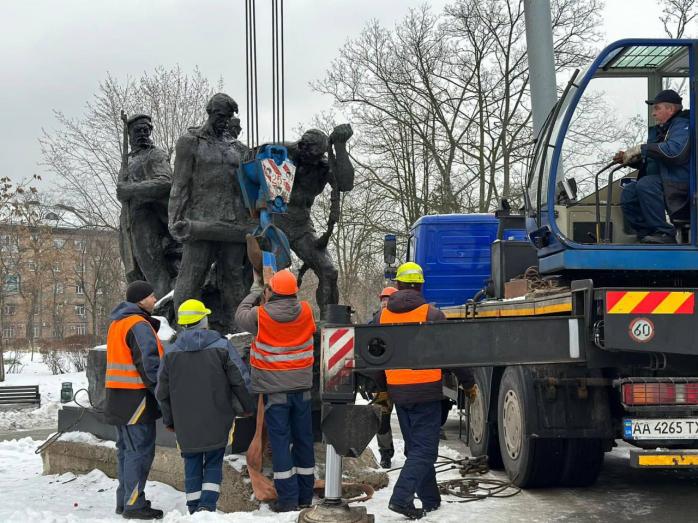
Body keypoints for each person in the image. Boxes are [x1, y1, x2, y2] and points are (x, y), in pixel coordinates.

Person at [155, 299, 255, 514]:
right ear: (203, 321)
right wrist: (247, 407)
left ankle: (193, 509)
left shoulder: (171, 352)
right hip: (218, 417)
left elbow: (161, 392)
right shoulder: (222, 346)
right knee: (213, 461)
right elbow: (240, 379)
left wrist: (169, 420)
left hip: (185, 423)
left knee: (191, 461)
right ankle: (207, 507)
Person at [169, 93, 254, 333]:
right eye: (220, 115)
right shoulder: (190, 142)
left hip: (233, 225)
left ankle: (239, 332)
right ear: (209, 112)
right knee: (191, 277)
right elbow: (179, 183)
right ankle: (184, 331)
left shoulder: (238, 148)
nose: (224, 121)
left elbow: (250, 185)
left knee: (234, 279)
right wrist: (174, 218)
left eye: (228, 117)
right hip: (200, 222)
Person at [235, 269, 317, 512]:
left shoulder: (260, 316)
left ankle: (288, 499)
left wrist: (255, 292)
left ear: (272, 291)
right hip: (302, 388)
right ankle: (305, 496)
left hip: (274, 390)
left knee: (280, 443)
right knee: (304, 440)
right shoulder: (306, 310)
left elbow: (240, 315)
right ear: (295, 291)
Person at [380, 263, 445, 520]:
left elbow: (375, 355)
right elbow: (456, 353)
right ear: (419, 285)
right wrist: (469, 383)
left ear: (397, 285)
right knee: (425, 450)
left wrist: (382, 390)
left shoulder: (382, 316)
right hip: (426, 392)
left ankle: (430, 499)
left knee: (415, 448)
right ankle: (401, 498)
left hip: (398, 391)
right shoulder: (433, 314)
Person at [276, 125, 354, 314]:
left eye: (318, 155)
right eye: (309, 153)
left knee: (329, 272)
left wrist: (341, 147)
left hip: (301, 226)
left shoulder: (322, 165)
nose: (312, 159)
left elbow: (345, 184)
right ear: (302, 145)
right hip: (272, 223)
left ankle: (330, 323)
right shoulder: (280, 151)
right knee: (272, 278)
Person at [105, 281, 164, 520]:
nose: (155, 298)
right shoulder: (138, 325)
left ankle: (125, 500)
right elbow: (150, 367)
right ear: (141, 300)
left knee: (126, 451)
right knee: (139, 452)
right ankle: (134, 505)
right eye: (151, 295)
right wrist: (163, 395)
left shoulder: (117, 323)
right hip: (136, 398)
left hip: (119, 397)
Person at [617, 89, 691, 244]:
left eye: (657, 108)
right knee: (629, 192)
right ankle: (646, 233)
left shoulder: (683, 126)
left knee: (646, 184)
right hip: (664, 181)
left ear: (670, 109)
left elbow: (674, 153)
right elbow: (655, 161)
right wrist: (632, 159)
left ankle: (665, 232)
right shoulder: (661, 131)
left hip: (681, 183)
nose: (653, 114)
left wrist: (642, 148)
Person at [116, 114, 176, 298]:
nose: (142, 133)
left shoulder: (155, 154)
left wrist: (131, 189)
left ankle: (164, 310)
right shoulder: (128, 160)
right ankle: (146, 311)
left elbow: (166, 182)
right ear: (130, 134)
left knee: (154, 272)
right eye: (137, 130)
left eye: (146, 130)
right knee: (135, 273)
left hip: (149, 219)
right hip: (129, 223)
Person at [371, 287, 398, 469]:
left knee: (406, 417)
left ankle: (411, 453)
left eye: (389, 299)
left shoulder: (402, 321)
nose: (385, 302)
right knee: (382, 420)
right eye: (383, 299)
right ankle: (385, 453)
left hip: (401, 379)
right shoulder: (374, 322)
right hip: (382, 382)